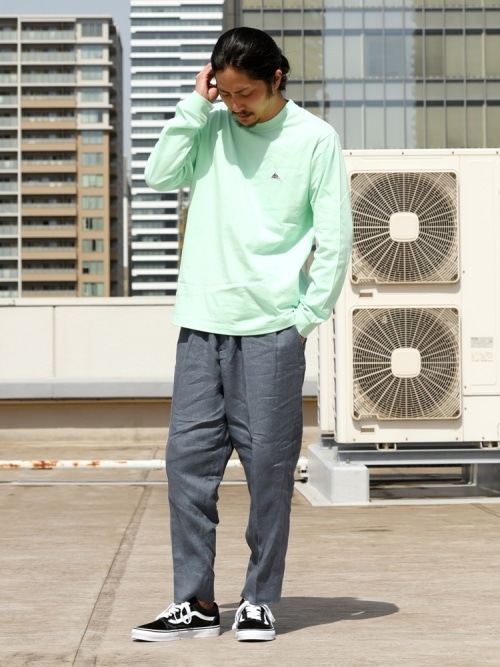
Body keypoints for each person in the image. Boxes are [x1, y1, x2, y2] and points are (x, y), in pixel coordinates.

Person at [131, 26, 352, 643]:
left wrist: (303, 320)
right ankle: (196, 603)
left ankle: (258, 599)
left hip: (271, 331)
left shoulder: (315, 138)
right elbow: (157, 175)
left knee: (269, 471)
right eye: (225, 93)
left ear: (276, 78)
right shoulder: (209, 125)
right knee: (186, 467)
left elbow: (335, 240)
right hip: (200, 327)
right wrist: (194, 105)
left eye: (245, 93)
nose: (236, 105)